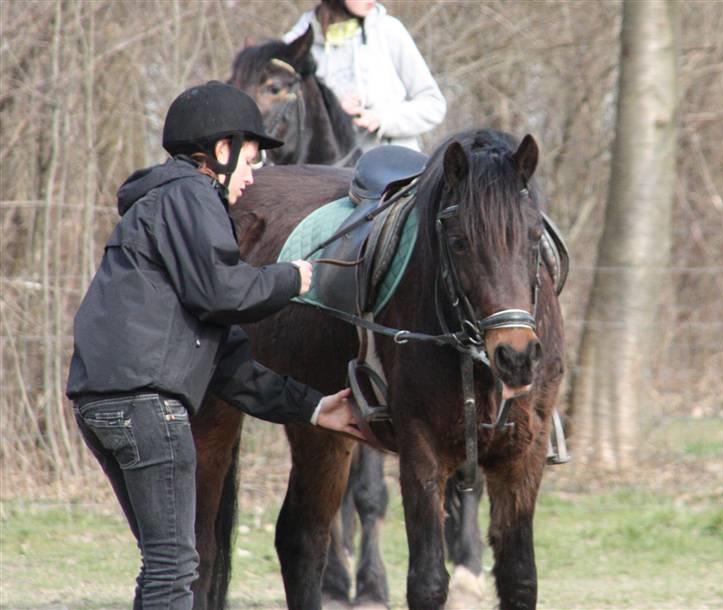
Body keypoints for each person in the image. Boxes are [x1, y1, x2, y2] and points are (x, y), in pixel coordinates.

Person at [66, 80, 364, 609]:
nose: (253, 176)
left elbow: (226, 360)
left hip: (106, 403)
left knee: (166, 563)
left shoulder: (163, 211)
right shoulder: (191, 195)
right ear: (220, 151)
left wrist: (315, 408)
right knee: (176, 567)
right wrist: (291, 279)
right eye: (250, 159)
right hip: (145, 407)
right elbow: (225, 291)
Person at [283, 0, 446, 152]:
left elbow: (433, 105)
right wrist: (334, 110)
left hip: (396, 168)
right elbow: (282, 120)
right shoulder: (294, 45)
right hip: (327, 171)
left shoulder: (389, 30)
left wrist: (382, 119)